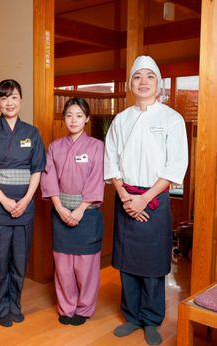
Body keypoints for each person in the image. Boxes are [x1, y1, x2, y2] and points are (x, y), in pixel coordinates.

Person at [104, 55, 188, 345]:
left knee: (153, 263)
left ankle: (152, 319)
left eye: (149, 77)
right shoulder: (121, 119)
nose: (143, 82)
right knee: (127, 262)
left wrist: (144, 199)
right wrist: (126, 197)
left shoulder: (171, 119)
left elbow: (175, 166)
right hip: (125, 196)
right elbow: (111, 160)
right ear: (130, 83)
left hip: (155, 198)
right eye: (137, 77)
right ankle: (132, 316)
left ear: (158, 83)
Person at [0, 79, 45, 327]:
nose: (9, 102)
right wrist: (5, 200)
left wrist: (26, 200)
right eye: (4, 98)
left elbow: (37, 170)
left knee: (19, 259)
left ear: (21, 100)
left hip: (24, 206)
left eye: (14, 97)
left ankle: (15, 304)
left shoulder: (32, 133)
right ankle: (1, 307)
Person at [41, 97, 105, 326]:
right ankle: (66, 307)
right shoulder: (55, 147)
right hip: (60, 211)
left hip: (86, 213)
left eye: (79, 115)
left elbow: (97, 179)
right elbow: (48, 179)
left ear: (87, 118)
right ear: (64, 117)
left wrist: (80, 209)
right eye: (69, 115)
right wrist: (59, 207)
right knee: (64, 266)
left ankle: (84, 308)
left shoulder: (97, 147)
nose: (74, 120)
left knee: (86, 266)